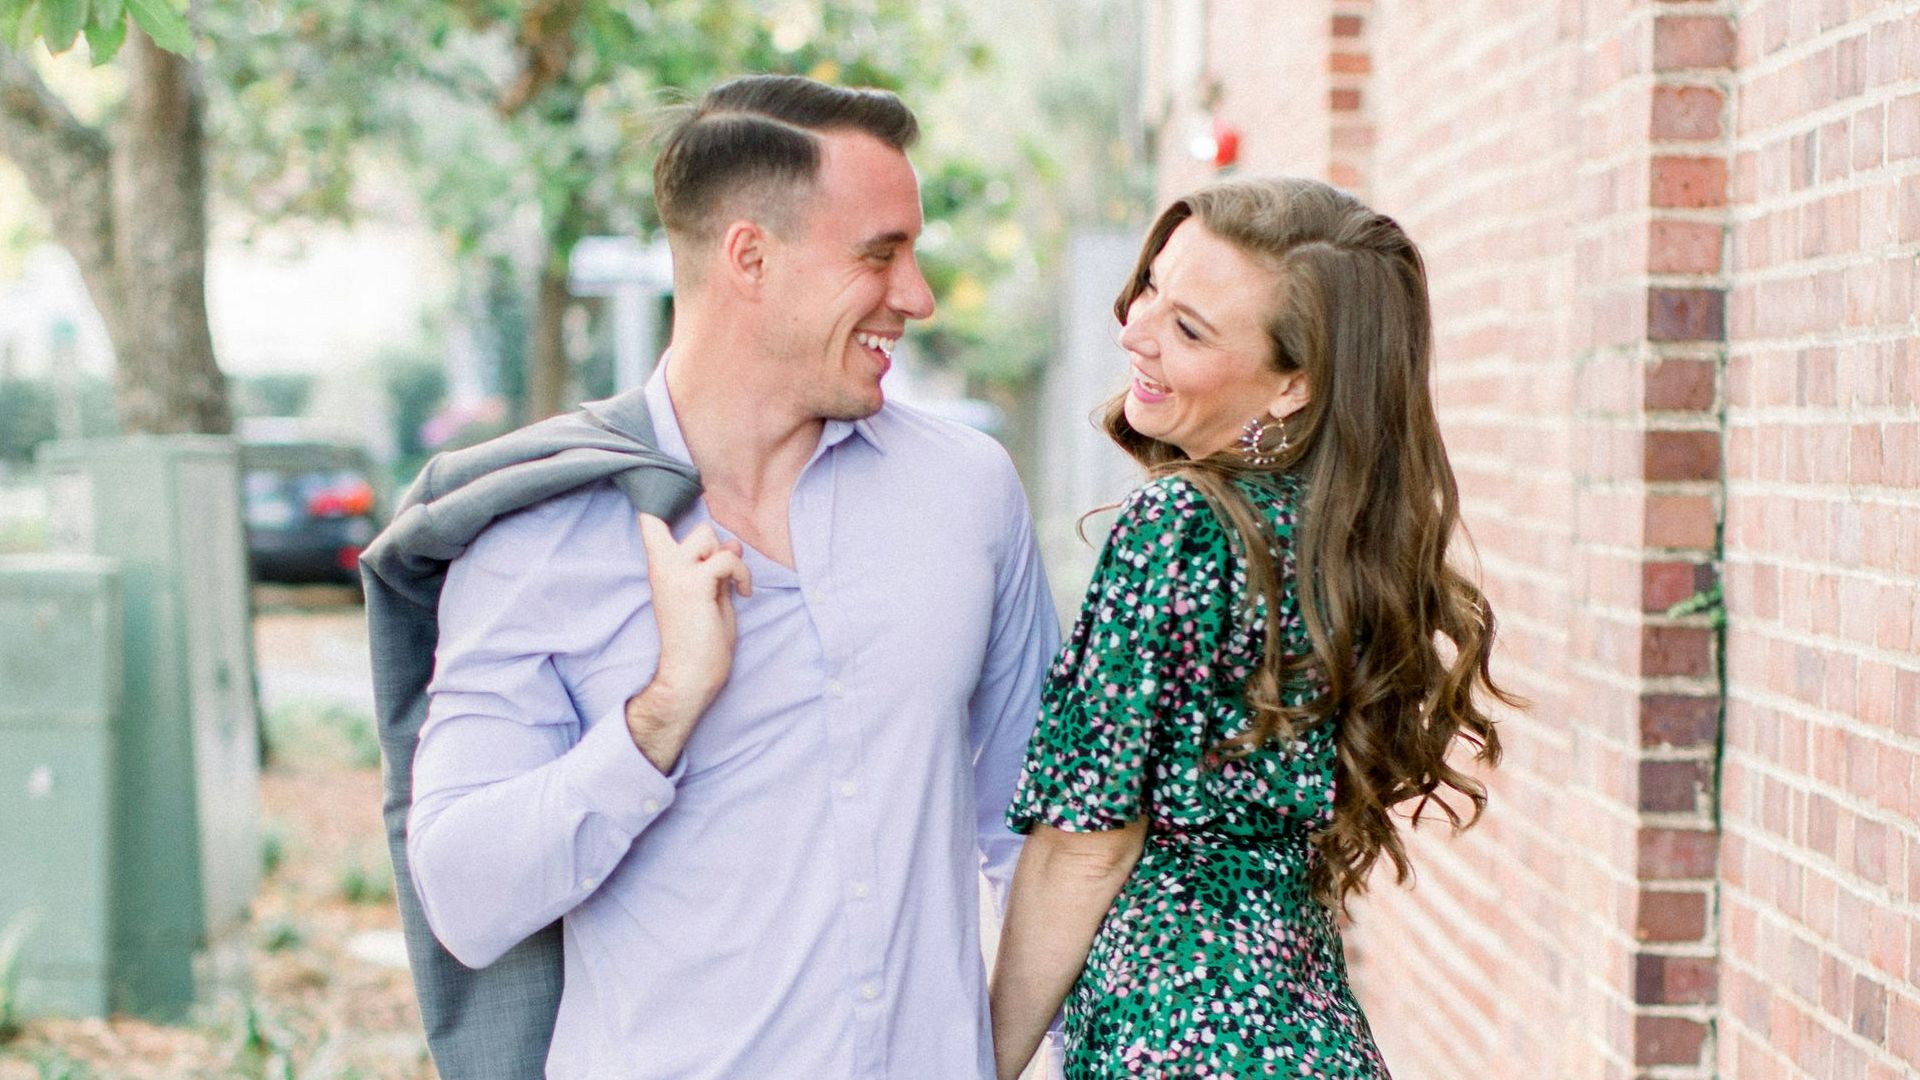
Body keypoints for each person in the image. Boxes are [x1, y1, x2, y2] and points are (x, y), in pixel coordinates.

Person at [402, 74, 1059, 1079]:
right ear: (750, 256)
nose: (917, 297)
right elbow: (464, 900)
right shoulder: (543, 535)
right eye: (880, 255)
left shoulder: (967, 494)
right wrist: (660, 714)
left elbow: (1037, 833)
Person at [987, 177, 1520, 1079]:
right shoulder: (1340, 540)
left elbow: (1084, 843)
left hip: (1181, 1041)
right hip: (1315, 1038)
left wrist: (984, 1061)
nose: (1135, 330)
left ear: (1293, 385)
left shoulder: (1179, 524)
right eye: (1152, 286)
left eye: (1190, 329)